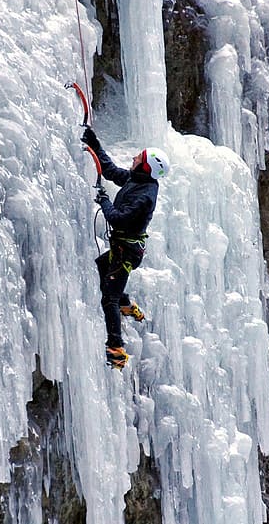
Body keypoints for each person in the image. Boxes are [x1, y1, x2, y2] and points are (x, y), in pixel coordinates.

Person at [81, 127, 170, 370]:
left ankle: (116, 349)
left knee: (107, 296)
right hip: (121, 248)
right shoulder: (137, 179)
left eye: (138, 158)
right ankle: (126, 303)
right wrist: (94, 143)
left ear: (146, 166)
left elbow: (119, 218)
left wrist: (104, 201)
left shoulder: (145, 196)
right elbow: (109, 171)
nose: (133, 158)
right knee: (102, 267)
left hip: (127, 252)